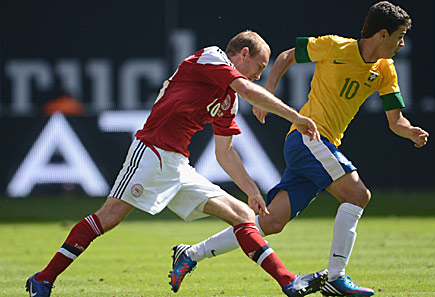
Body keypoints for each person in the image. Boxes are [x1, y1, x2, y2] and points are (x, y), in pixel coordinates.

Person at [25, 30, 328, 297]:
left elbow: (225, 152)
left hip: (179, 165)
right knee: (110, 217)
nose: (259, 75)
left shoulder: (228, 100)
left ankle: (289, 283)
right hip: (152, 151)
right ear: (244, 54)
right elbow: (248, 90)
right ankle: (43, 279)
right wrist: (295, 117)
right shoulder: (212, 57)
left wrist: (251, 190)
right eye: (259, 66)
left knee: (244, 215)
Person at [172, 2, 429, 297]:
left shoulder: (386, 70)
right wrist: (266, 94)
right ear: (382, 34)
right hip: (309, 138)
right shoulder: (335, 47)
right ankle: (336, 277)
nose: (402, 43)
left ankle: (191, 254)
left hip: (321, 146)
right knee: (358, 195)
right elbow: (285, 57)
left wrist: (409, 132)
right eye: (399, 36)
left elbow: (396, 121)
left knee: (270, 221)